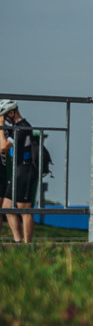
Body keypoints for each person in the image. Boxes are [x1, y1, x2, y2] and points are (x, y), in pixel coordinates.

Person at [0, 99, 36, 244]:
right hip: (18, 170)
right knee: (7, 208)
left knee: (24, 209)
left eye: (5, 115)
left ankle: (28, 244)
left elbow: (3, 146)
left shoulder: (22, 128)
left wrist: (1, 126)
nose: (4, 119)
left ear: (12, 112)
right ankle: (18, 242)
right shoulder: (15, 127)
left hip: (26, 170)